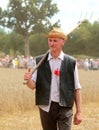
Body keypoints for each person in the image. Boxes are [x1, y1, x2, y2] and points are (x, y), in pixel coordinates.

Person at [24, 27, 82, 130]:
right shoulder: (40, 61)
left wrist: (79, 112)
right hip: (46, 107)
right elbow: (32, 86)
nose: (51, 43)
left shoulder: (71, 62)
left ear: (62, 42)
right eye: (50, 40)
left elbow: (76, 88)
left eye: (55, 41)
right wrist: (28, 80)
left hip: (65, 106)